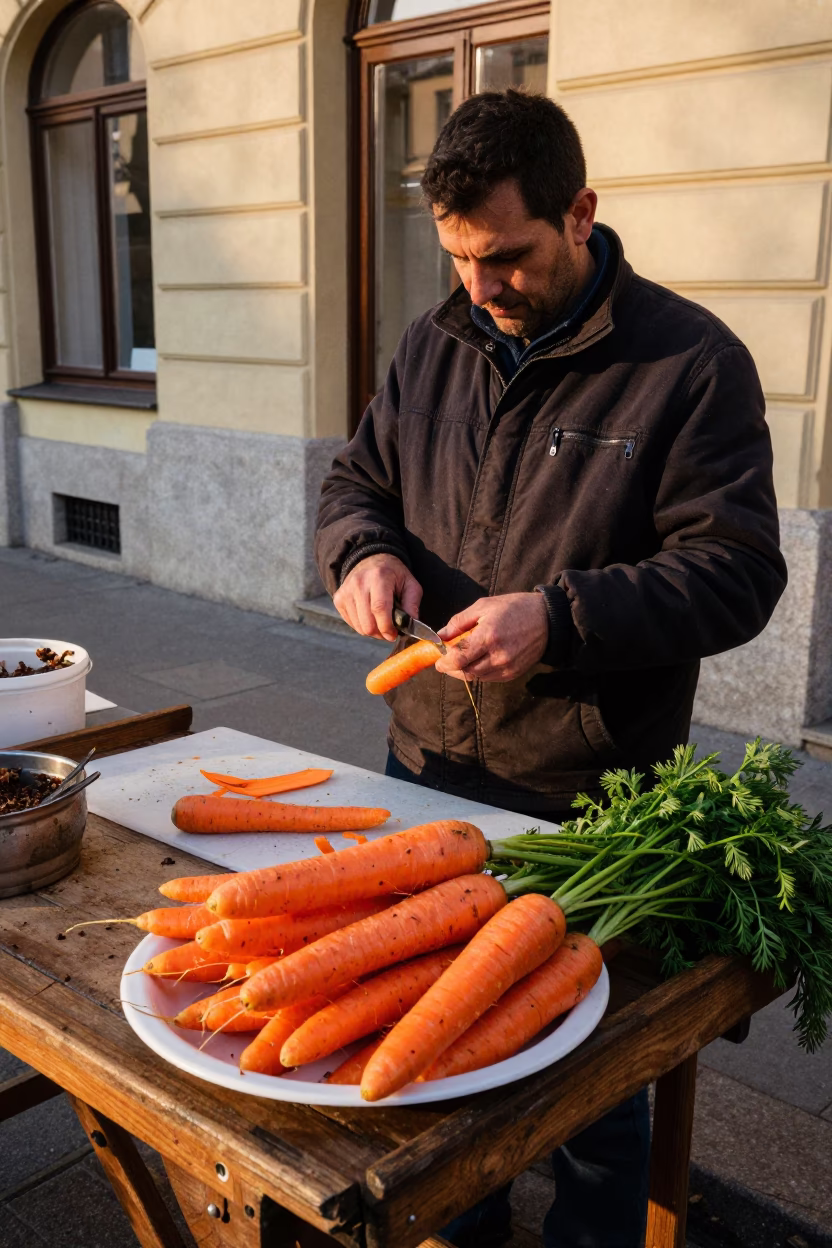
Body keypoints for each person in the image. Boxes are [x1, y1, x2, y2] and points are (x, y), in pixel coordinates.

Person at [314, 89, 787, 1248]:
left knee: (584, 1091)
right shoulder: (434, 344)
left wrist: (557, 619)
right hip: (421, 769)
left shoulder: (689, 363)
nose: (481, 287)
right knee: (438, 1056)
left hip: (586, 792)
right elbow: (352, 486)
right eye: (460, 258)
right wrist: (361, 555)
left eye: (507, 257)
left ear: (580, 213)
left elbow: (736, 572)